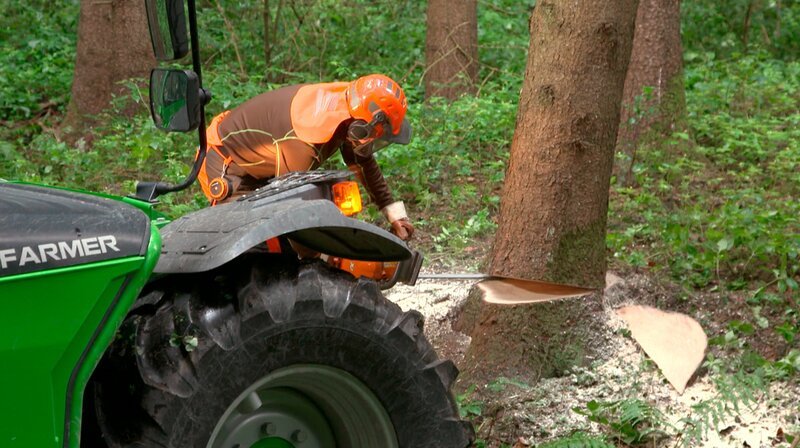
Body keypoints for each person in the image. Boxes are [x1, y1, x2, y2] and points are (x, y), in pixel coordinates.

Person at [197, 74, 415, 241]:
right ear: (360, 127)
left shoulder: (350, 114)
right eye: (374, 137)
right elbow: (291, 208)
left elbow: (363, 162)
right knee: (250, 245)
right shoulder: (304, 141)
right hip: (226, 164)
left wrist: (395, 214)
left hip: (264, 165)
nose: (372, 143)